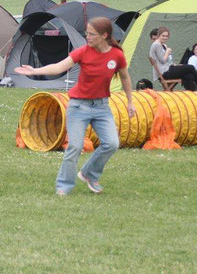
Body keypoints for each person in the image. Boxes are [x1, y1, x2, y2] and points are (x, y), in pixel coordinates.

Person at [15, 17, 136, 196]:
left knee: (111, 144)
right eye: (86, 32)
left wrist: (130, 101)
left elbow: (125, 77)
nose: (87, 36)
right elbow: (58, 67)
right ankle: (64, 185)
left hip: (102, 107)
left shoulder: (116, 55)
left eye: (91, 34)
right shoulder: (82, 52)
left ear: (104, 35)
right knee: (75, 146)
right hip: (79, 107)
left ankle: (89, 174)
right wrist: (35, 71)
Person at [149, 26, 197, 91]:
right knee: (190, 67)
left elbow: (166, 61)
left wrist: (173, 64)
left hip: (168, 69)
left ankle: (191, 94)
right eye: (154, 39)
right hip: (164, 73)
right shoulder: (156, 46)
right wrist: (167, 52)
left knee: (189, 76)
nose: (156, 40)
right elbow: (162, 61)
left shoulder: (163, 45)